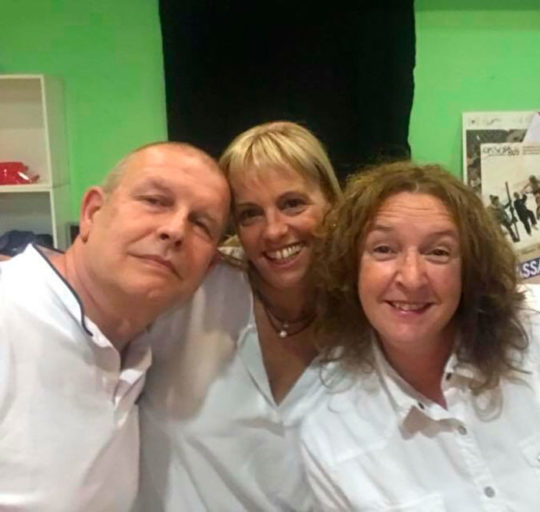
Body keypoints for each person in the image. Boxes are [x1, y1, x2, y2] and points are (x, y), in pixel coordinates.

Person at [301, 162, 540, 511]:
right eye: (384, 249)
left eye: (438, 252)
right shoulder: (329, 434)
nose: (412, 278)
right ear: (351, 267)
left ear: (470, 268)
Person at [0, 142, 230, 511]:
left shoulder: (142, 348)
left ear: (209, 267)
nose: (175, 230)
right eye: (155, 201)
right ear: (92, 212)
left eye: (201, 224)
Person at [135, 121, 342, 511]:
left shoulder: (367, 314)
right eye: (250, 214)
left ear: (332, 203)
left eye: (292, 203)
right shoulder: (194, 288)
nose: (274, 231)